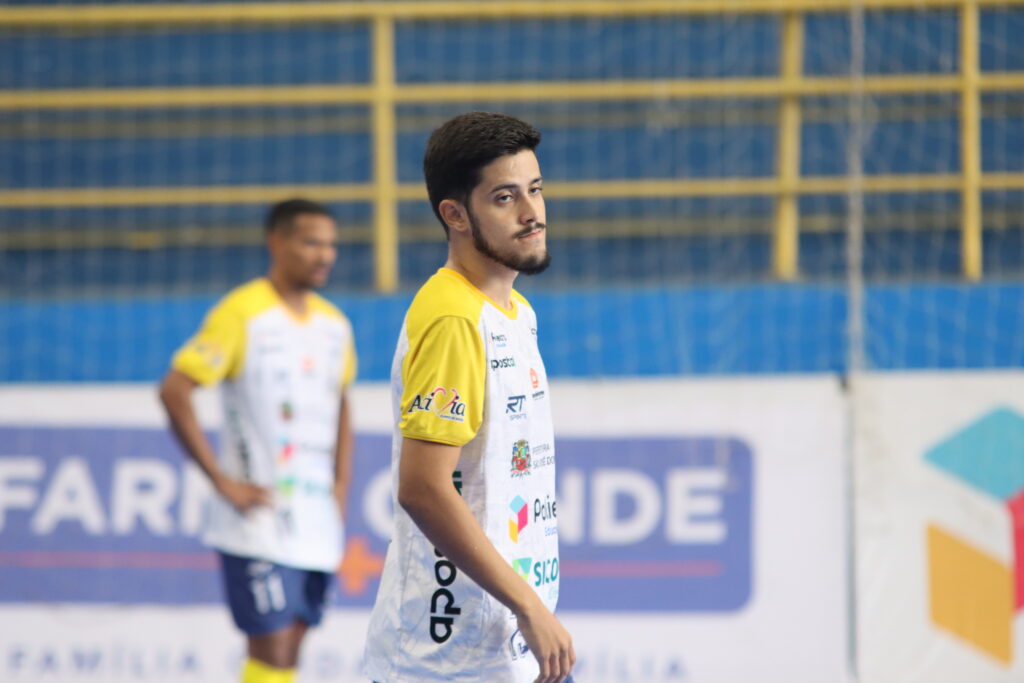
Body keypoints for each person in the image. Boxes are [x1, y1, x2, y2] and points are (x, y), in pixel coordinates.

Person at [363, 112, 574, 683]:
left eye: (535, 190)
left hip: (508, 646)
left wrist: (530, 610)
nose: (532, 213)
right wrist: (528, 605)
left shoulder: (515, 312)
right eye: (505, 197)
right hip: (445, 662)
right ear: (454, 215)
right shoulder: (455, 318)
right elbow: (423, 488)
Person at [159, 199, 358, 683]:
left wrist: (339, 487)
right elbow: (175, 390)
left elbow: (341, 404)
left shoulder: (335, 325)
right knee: (271, 646)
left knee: (292, 645)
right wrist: (222, 480)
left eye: (330, 244)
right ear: (277, 242)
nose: (325, 255)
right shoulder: (242, 313)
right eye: (311, 242)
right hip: (259, 520)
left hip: (316, 519)